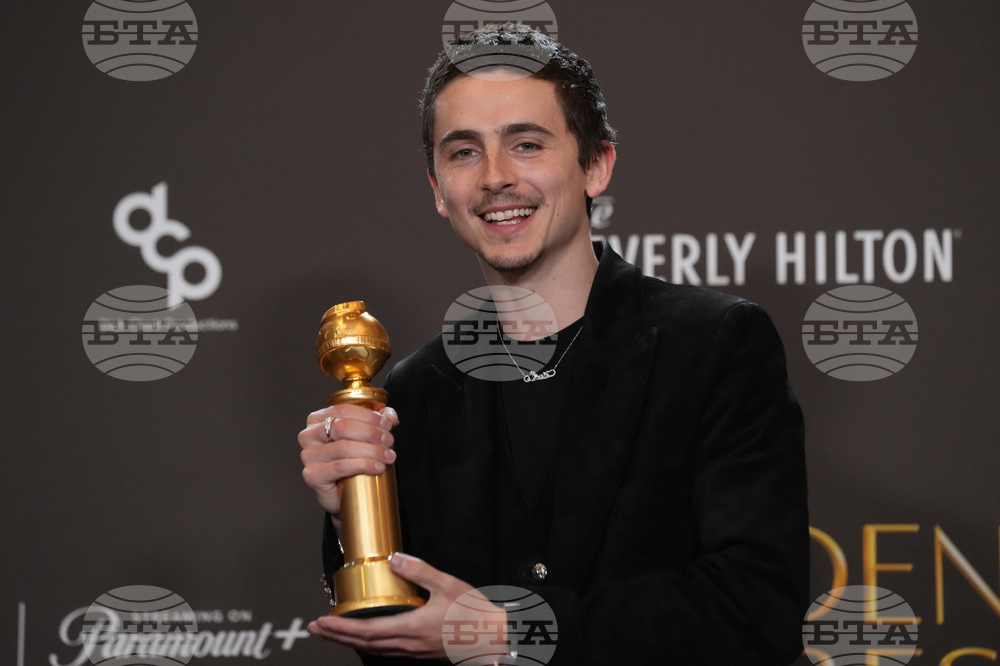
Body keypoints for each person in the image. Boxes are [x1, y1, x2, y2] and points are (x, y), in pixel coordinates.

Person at [299, 24, 809, 664]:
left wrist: (511, 632)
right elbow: (405, 643)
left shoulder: (711, 346)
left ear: (596, 164)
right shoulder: (411, 397)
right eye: (463, 153)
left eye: (526, 144)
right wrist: (353, 517)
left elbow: (756, 610)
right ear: (437, 190)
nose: (495, 178)